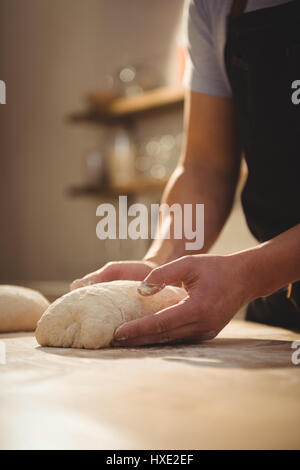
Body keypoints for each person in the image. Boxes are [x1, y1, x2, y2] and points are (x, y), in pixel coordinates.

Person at [71, 0, 300, 347]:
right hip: (284, 311)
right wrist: (157, 268)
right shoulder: (213, 6)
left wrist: (249, 274)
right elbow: (205, 167)